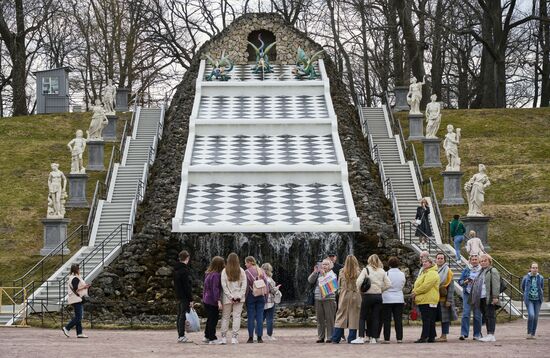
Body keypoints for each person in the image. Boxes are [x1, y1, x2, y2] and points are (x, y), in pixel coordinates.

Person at [353, 254, 391, 344]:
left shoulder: (366, 270)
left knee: (362, 317)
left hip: (367, 296)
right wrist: (381, 289)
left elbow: (358, 282)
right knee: (376, 317)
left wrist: (360, 290)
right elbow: (389, 284)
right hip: (378, 296)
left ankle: (361, 337)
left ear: (369, 261)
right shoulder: (382, 271)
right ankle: (373, 338)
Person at [332, 255, 362, 343]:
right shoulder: (358, 272)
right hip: (355, 294)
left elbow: (338, 285)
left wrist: (340, 292)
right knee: (354, 316)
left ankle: (336, 338)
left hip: (344, 295)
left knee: (340, 315)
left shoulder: (341, 271)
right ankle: (351, 338)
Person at [220, 252, 247, 344]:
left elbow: (224, 286)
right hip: (239, 297)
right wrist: (239, 295)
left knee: (225, 317)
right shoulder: (241, 270)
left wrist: (230, 296)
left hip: (227, 298)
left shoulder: (224, 271)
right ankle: (234, 338)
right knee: (236, 317)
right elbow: (244, 285)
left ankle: (223, 338)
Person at [473, 254, 501, 342]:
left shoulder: (493, 270)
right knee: (486, 315)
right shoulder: (481, 271)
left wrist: (495, 297)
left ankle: (491, 334)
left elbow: (496, 284)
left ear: (489, 261)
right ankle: (489, 334)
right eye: (481, 261)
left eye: (485, 260)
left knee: (490, 315)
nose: (483, 262)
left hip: (489, 297)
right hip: (481, 297)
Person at [308, 259, 337, 343]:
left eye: (326, 264)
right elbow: (310, 280)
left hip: (329, 299)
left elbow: (331, 286)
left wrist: (324, 275)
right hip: (318, 298)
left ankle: (330, 337)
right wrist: (314, 272)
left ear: (330, 266)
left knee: (330, 319)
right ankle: (321, 337)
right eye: (323, 264)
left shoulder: (332, 274)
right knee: (320, 319)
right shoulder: (318, 274)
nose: (324, 266)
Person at [412, 257, 440, 343]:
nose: (424, 263)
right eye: (423, 262)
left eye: (426, 262)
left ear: (431, 263)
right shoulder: (425, 272)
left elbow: (426, 286)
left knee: (427, 319)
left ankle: (424, 337)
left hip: (428, 299)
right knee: (430, 319)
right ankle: (431, 336)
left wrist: (415, 292)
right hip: (426, 299)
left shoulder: (431, 273)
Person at [381, 256, 406, 343]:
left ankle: (387, 339)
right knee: (398, 320)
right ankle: (399, 338)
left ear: (389, 264)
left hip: (387, 299)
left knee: (387, 320)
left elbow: (383, 285)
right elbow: (402, 285)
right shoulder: (402, 274)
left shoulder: (386, 273)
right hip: (399, 298)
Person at [458, 254, 483, 340]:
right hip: (467, 293)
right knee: (466, 313)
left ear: (479, 260)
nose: (474, 261)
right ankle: (463, 333)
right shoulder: (466, 269)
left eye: (476, 259)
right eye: (473, 259)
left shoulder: (482, 270)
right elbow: (460, 281)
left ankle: (477, 334)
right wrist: (466, 281)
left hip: (478, 294)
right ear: (470, 261)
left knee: (477, 315)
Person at [62, 264, 91, 338]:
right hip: (77, 298)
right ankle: (67, 328)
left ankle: (79, 333)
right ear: (77, 270)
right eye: (79, 269)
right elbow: (76, 289)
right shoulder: (75, 278)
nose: (79, 270)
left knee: (78, 316)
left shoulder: (72, 277)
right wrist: (84, 287)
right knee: (79, 317)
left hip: (75, 298)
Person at [244, 256, 269, 343]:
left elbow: (246, 287)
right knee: (260, 317)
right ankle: (259, 337)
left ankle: (250, 338)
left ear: (250, 262)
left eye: (246, 262)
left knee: (251, 317)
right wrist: (266, 296)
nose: (245, 264)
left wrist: (245, 297)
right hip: (261, 295)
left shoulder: (246, 272)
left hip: (251, 295)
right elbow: (266, 284)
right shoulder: (261, 270)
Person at [434, 253, 457, 342]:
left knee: (445, 319)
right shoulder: (433, 270)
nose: (440, 260)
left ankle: (444, 336)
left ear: (444, 260)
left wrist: (449, 300)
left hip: (444, 298)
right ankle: (433, 335)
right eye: (438, 258)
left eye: (441, 258)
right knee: (433, 318)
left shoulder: (448, 272)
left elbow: (451, 287)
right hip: (434, 298)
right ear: (435, 259)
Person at [202, 256, 225, 344]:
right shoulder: (216, 275)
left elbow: (205, 288)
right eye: (223, 263)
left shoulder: (208, 273)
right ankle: (212, 338)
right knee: (213, 319)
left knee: (210, 318)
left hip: (207, 299)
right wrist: (218, 300)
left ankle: (207, 336)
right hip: (212, 301)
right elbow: (215, 289)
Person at [174, 250, 193, 343]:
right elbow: (187, 286)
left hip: (178, 295)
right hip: (184, 296)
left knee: (179, 315)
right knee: (183, 315)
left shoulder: (176, 269)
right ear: (187, 258)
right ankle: (181, 335)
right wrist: (191, 299)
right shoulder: (184, 271)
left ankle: (180, 334)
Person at [521, 262, 544, 339]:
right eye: (533, 268)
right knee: (531, 315)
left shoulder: (541, 278)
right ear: (530, 269)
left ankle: (533, 334)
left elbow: (541, 287)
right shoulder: (525, 278)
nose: (535, 269)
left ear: (538, 269)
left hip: (538, 300)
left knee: (536, 317)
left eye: (536, 268)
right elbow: (523, 287)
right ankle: (529, 332)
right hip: (529, 299)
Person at [261, 262, 281, 341]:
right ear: (269, 270)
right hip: (270, 301)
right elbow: (272, 291)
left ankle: (256, 335)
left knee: (260, 318)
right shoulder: (270, 279)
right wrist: (277, 288)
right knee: (269, 319)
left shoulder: (259, 278)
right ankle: (269, 336)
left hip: (262, 300)